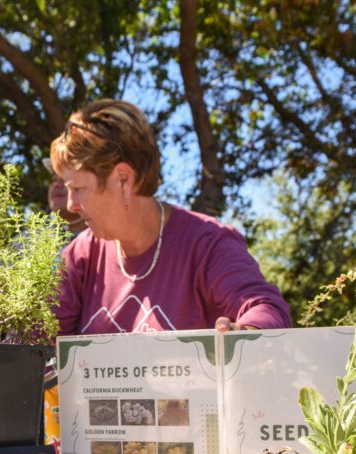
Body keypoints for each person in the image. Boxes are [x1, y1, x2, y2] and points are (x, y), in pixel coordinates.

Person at [49, 99, 290, 336]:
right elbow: (36, 349)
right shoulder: (81, 255)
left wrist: (244, 332)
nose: (71, 205)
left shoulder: (207, 244)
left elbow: (267, 310)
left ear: (122, 179)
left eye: (78, 189)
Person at [43, 157, 85, 239]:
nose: (57, 184)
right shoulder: (28, 242)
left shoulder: (110, 238)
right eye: (54, 179)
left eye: (65, 179)